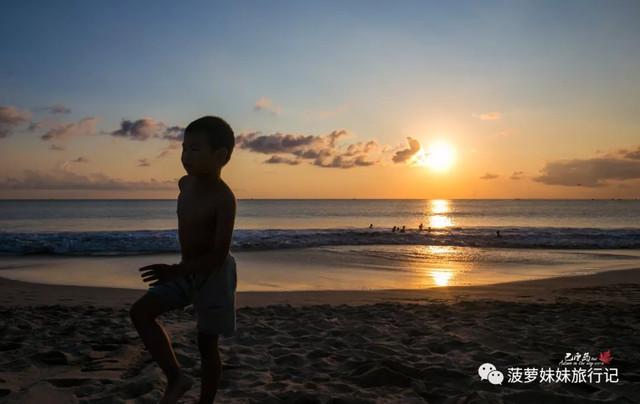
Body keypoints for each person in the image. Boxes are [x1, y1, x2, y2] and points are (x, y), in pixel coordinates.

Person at [130, 116, 238, 404]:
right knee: (140, 313)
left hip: (213, 275)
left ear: (220, 156)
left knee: (207, 343)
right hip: (182, 270)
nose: (185, 156)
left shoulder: (224, 198)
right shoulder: (184, 184)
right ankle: (176, 376)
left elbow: (217, 254)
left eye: (194, 150)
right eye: (184, 148)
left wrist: (175, 271)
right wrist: (177, 271)